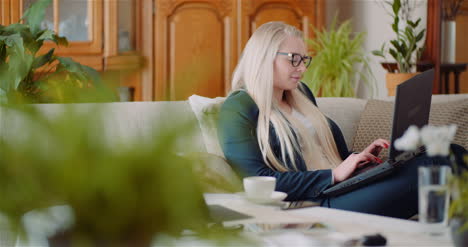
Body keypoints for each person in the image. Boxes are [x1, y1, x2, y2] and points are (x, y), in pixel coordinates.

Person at [217, 21, 466, 219]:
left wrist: (357, 161)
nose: (302, 69)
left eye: (304, 60)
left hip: (340, 189)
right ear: (263, 57)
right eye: (293, 59)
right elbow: (254, 180)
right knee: (435, 163)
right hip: (313, 204)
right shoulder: (237, 107)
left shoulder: (301, 94)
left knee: (451, 151)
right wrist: (334, 175)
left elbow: (323, 153)